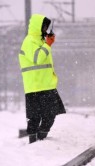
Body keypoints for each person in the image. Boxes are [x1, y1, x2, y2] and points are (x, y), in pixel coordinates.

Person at [18, 14, 66, 144]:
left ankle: (41, 139)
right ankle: (34, 142)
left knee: (50, 115)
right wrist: (48, 45)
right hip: (35, 86)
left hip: (46, 85)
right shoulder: (29, 41)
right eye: (44, 27)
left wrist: (46, 43)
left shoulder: (40, 42)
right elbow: (37, 59)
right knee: (34, 118)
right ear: (38, 27)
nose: (46, 29)